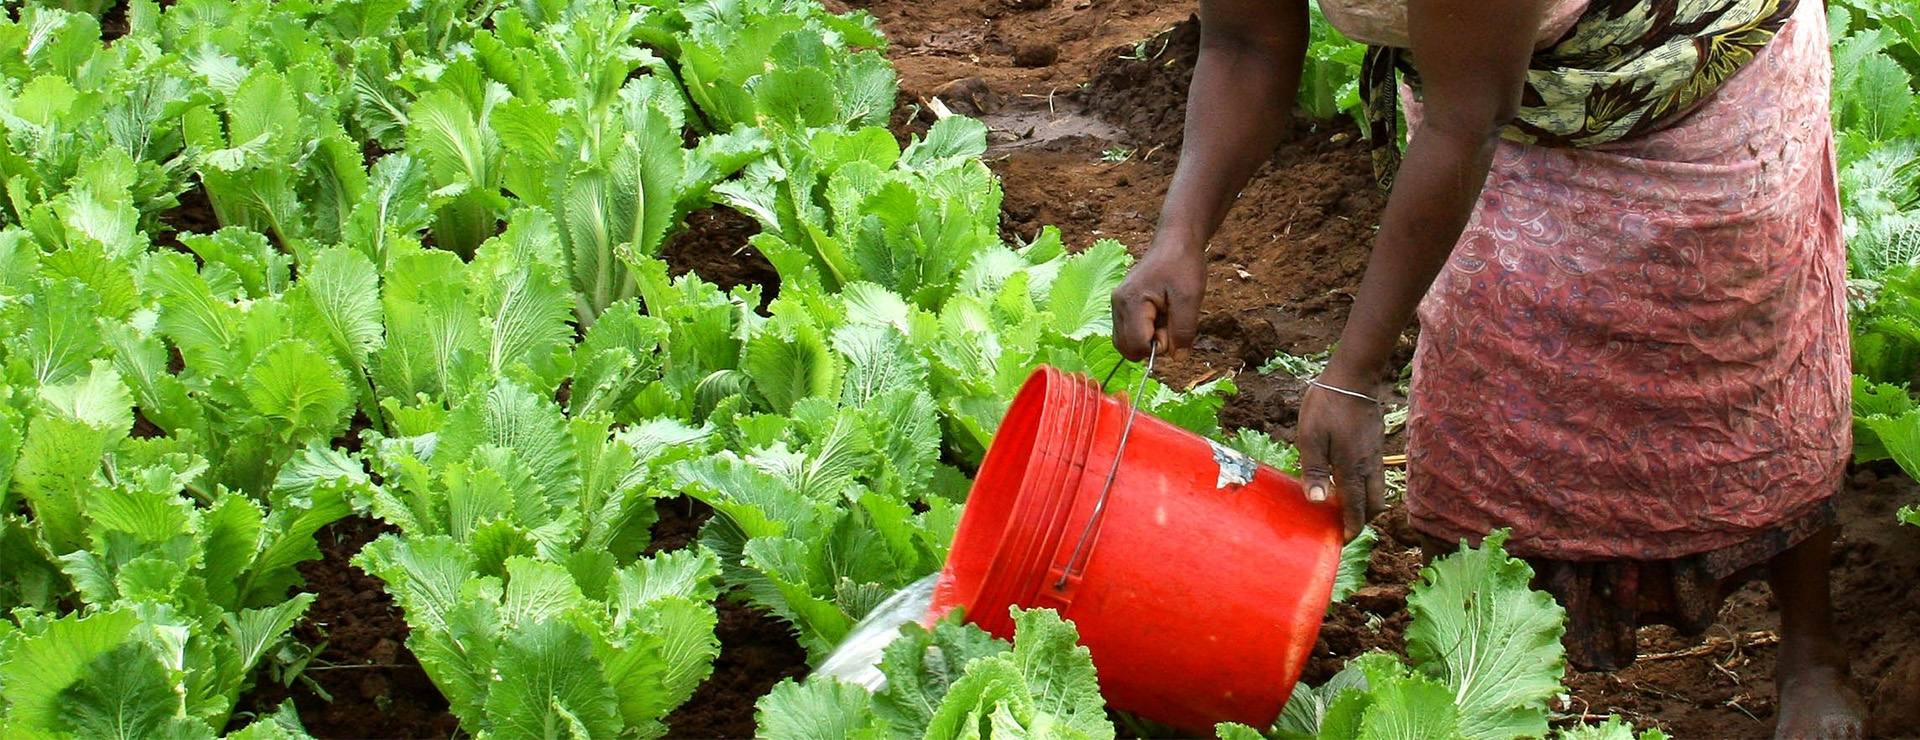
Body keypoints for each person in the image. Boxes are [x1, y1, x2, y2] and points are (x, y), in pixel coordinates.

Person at [1107, 0, 1867, 736]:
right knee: (1479, 383)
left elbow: (1466, 120)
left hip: (1689, 76)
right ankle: (1471, 680)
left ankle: (1811, 649)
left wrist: (1353, 373)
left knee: (1739, 364)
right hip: (1487, 90)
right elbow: (1244, 42)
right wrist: (1181, 235)